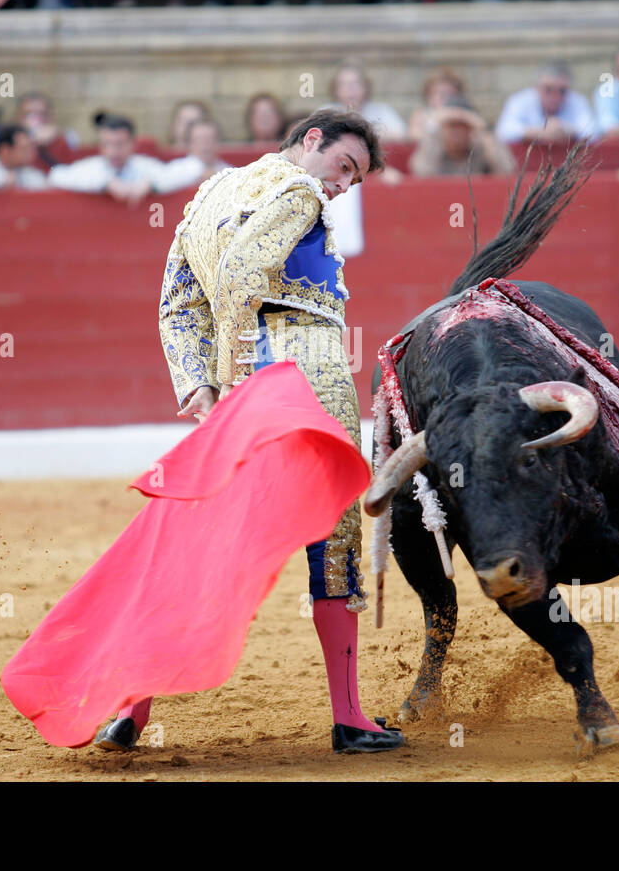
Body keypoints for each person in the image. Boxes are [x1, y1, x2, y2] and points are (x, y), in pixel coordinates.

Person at [95, 110, 405, 755]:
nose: (342, 185)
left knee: (201, 540)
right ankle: (349, 717)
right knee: (335, 534)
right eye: (344, 167)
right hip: (304, 379)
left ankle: (131, 708)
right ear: (311, 139)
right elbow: (240, 272)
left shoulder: (207, 194)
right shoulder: (297, 190)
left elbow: (179, 301)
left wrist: (202, 386)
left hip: (238, 393)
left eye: (356, 180)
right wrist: (242, 377)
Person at [48, 112, 187, 204]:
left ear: (132, 144)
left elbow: (188, 170)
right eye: (107, 144)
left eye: (119, 144)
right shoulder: (91, 168)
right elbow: (56, 175)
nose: (113, 151)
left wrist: (151, 183)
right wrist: (105, 183)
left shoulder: (144, 166)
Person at [408, 95, 514, 176]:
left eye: (463, 125)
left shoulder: (480, 145)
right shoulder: (435, 144)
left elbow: (506, 171)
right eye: (451, 125)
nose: (456, 131)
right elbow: (421, 172)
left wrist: (484, 131)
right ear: (442, 127)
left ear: (471, 129)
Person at [494, 61, 596, 145]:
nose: (555, 96)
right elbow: (503, 131)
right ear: (536, 88)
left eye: (562, 91)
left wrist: (567, 131)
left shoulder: (578, 101)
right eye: (548, 89)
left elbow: (594, 132)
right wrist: (538, 132)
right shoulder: (520, 100)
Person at [323, 62, 407, 141]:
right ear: (335, 89)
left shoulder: (382, 111)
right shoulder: (326, 112)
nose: (350, 89)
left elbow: (401, 135)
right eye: (343, 84)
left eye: (356, 84)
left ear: (365, 87)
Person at [158, 118, 233, 191]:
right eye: (199, 140)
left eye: (210, 139)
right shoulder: (177, 168)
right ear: (189, 144)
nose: (205, 145)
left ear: (218, 143)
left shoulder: (229, 172)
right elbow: (161, 184)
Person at [408, 67, 466, 139]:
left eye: (448, 94)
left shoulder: (464, 116)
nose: (442, 99)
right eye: (437, 93)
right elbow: (414, 138)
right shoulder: (420, 116)